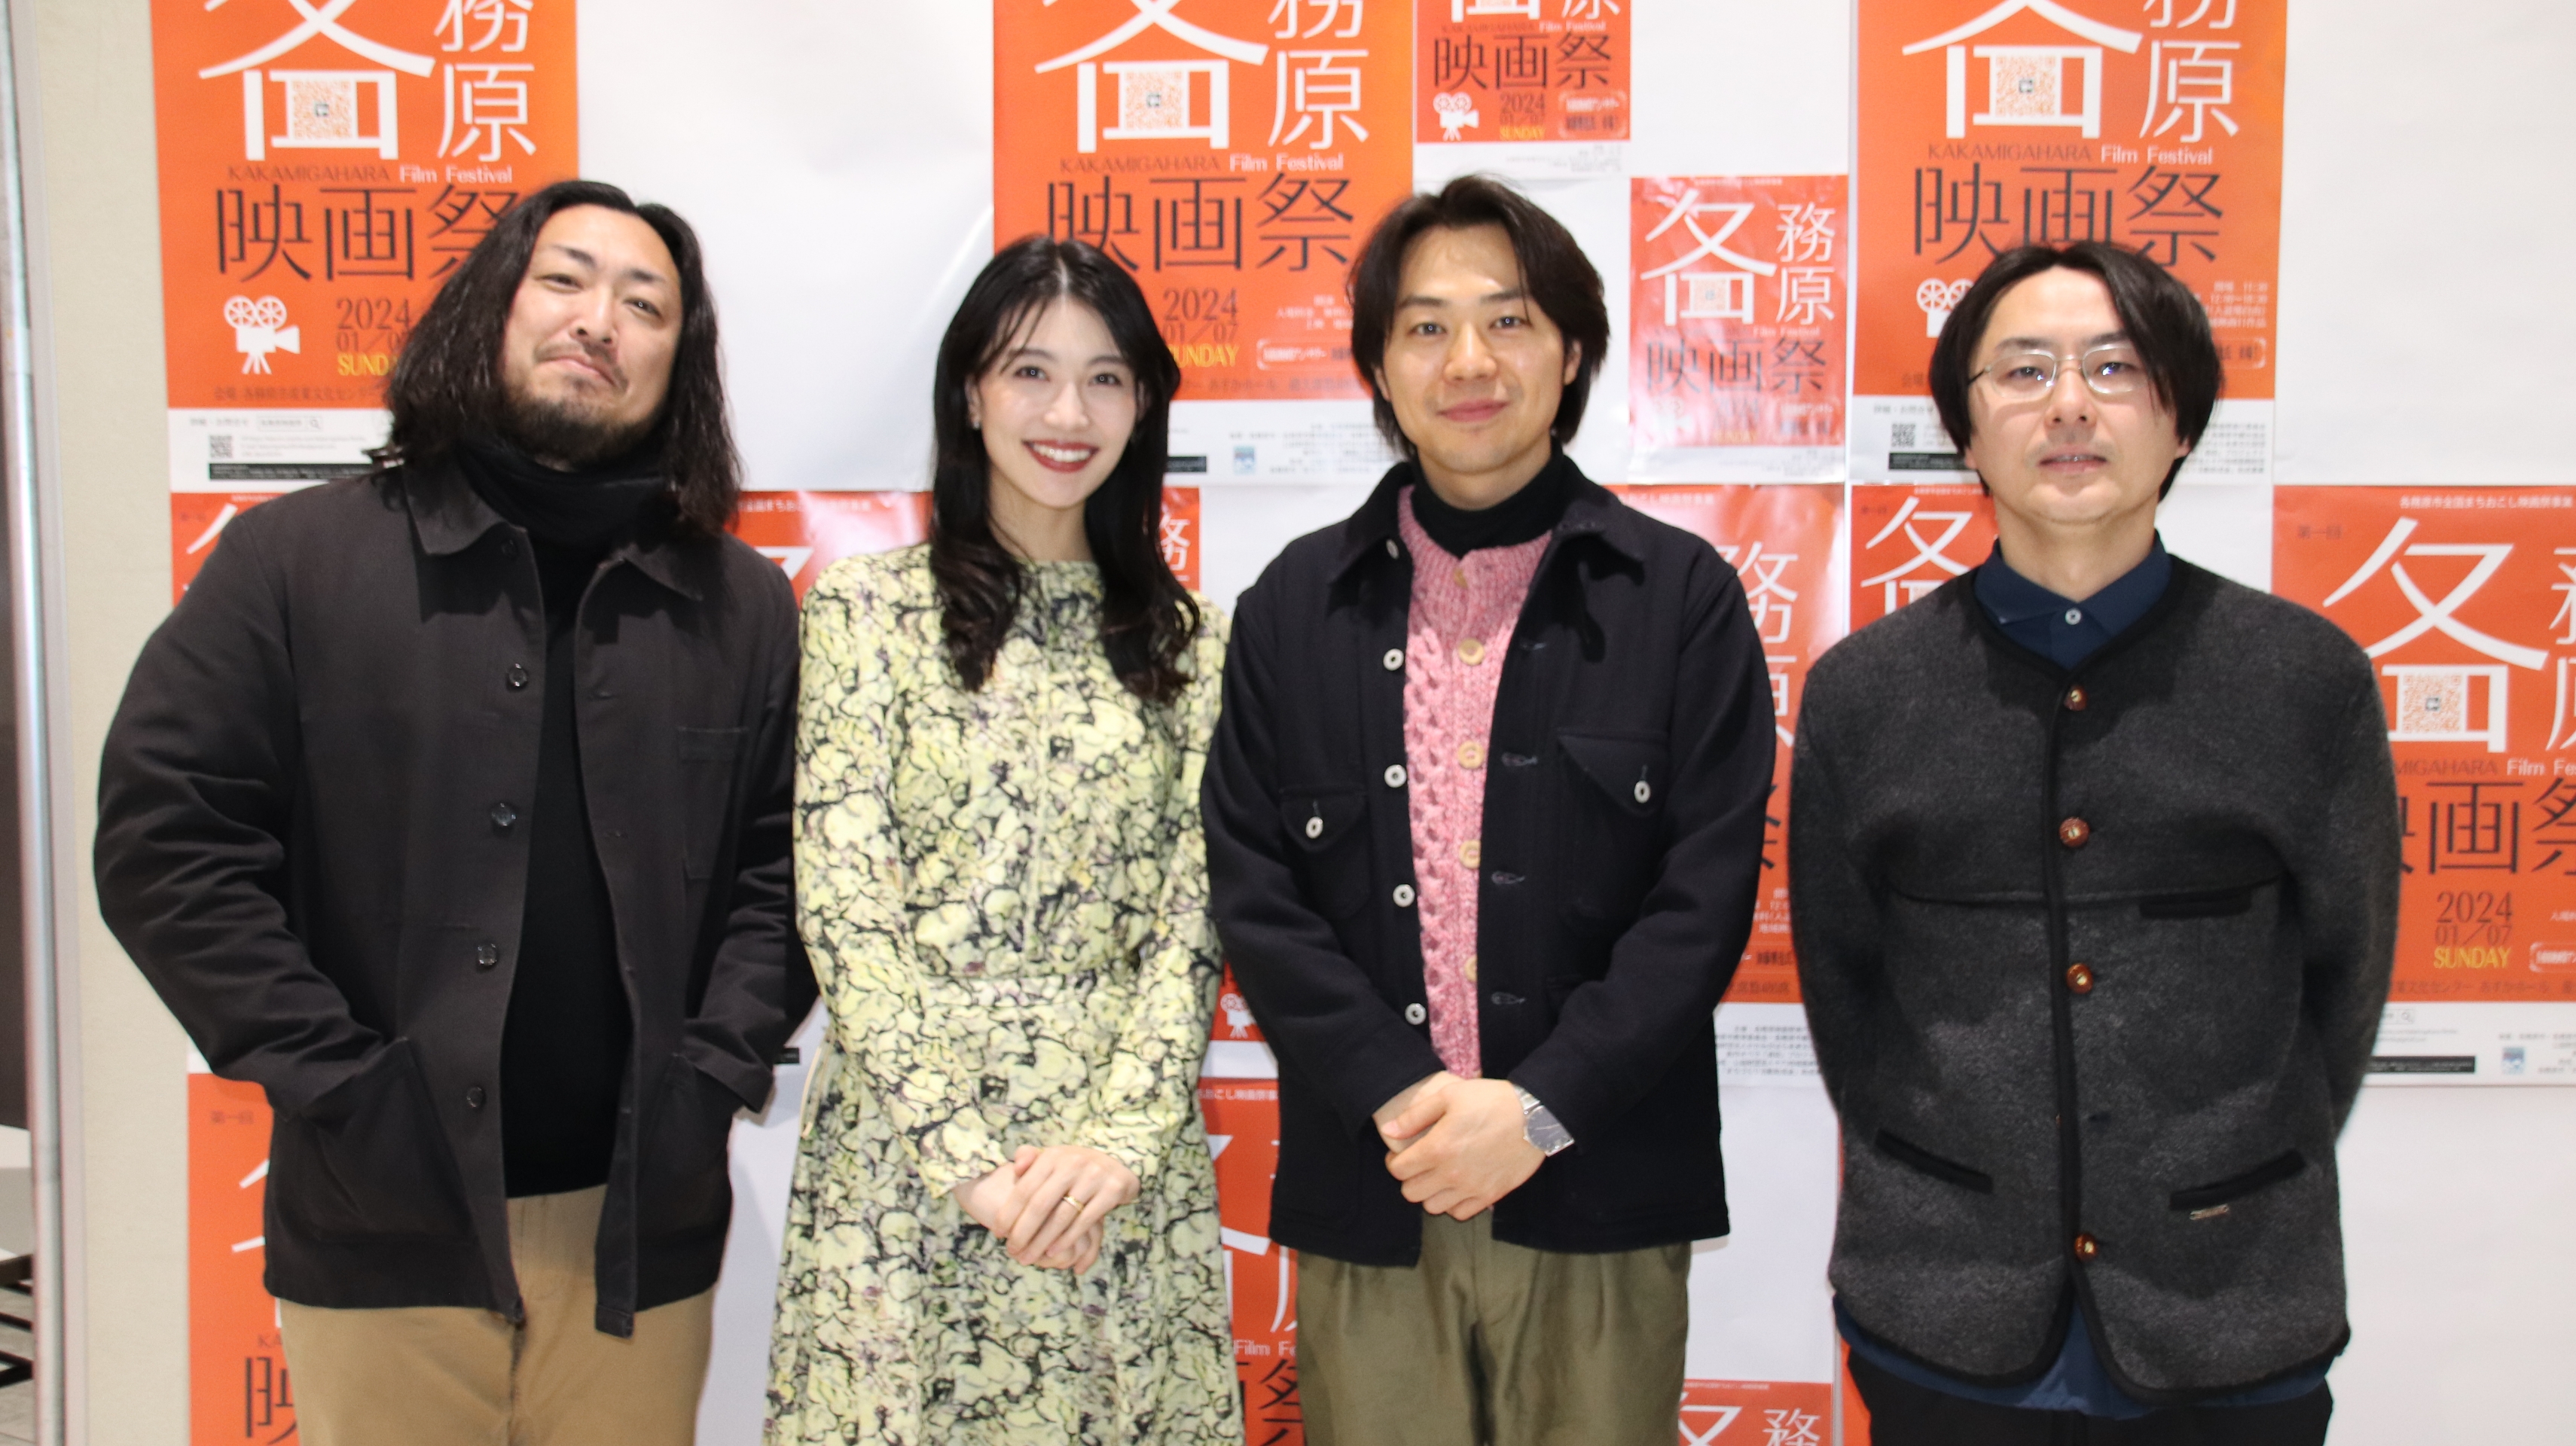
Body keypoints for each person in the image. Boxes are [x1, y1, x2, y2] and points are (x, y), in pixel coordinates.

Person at [95, 179, 805, 1444]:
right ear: (490, 309)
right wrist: (340, 1085)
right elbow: (169, 840)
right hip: (384, 1220)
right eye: (564, 279)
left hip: (638, 1229)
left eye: (645, 305)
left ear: (679, 365)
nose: (599, 321)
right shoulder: (294, 561)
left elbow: (786, 868)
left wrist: (711, 1073)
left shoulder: (738, 604)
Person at [1790, 240, 2398, 1445]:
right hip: (1946, 1309)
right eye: (2024, 371)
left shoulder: (2302, 679)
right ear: (1966, 432)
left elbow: (2344, 978)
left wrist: (2213, 1169)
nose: (2069, 405)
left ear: (2182, 421)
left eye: (2115, 369)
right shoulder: (1867, 691)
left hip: (2233, 1306)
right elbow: (1846, 988)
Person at [1203, 174, 1776, 1444]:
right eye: (1426, 327)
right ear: (1378, 368)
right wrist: (1406, 1098)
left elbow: (1701, 902)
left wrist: (1536, 1109)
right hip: (1377, 1187)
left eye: (1509, 320)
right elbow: (1256, 888)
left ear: (1571, 354)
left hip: (1600, 1187)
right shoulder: (1294, 607)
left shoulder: (1679, 598)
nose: (1469, 361)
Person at [765, 236, 1240, 1446]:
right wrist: (969, 1162)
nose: (1067, 415)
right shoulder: (865, 613)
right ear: (969, 394)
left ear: (1143, 406)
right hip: (906, 1171)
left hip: (1111, 1183)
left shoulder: (1197, 645)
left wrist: (1118, 1147)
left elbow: (1195, 925)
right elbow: (846, 911)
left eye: (1105, 379)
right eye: (1030, 372)